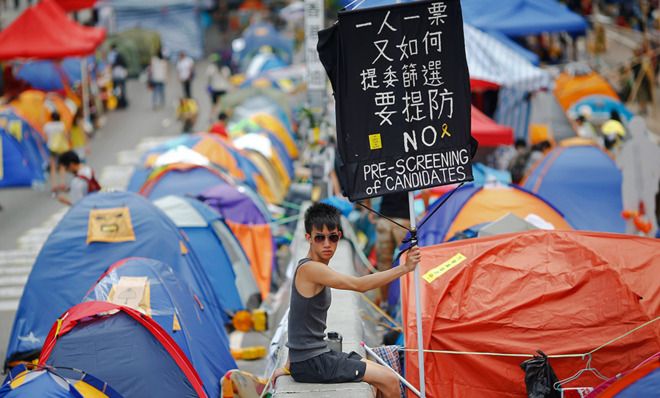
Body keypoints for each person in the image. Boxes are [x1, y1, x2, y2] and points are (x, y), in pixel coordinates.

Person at [276, 203, 420, 398]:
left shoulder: (316, 267)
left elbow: (298, 319)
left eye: (332, 237)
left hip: (315, 356)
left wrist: (290, 362)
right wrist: (404, 268)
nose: (327, 244)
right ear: (308, 238)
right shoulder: (311, 269)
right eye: (320, 238)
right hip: (313, 363)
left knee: (383, 373)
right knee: (391, 380)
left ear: (339, 237)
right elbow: (359, 285)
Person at [366, 192, 410, 311]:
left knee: (383, 265)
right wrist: (426, 210)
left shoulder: (382, 172)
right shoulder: (411, 172)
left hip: (383, 219)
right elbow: (425, 191)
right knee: (408, 263)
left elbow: (367, 185)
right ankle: (406, 305)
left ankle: (384, 304)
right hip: (404, 220)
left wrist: (369, 209)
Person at [44, 111, 70, 192]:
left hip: (51, 148)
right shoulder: (61, 125)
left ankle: (54, 186)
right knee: (62, 166)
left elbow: (45, 138)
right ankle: (62, 184)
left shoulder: (47, 126)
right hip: (61, 148)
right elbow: (66, 136)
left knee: (52, 167)